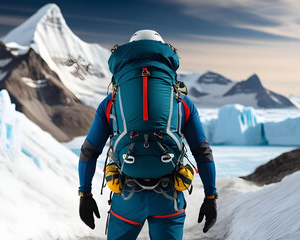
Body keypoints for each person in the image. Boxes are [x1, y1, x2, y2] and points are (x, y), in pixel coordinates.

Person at [79, 30, 217, 240]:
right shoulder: (182, 103)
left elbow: (89, 151)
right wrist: (210, 196)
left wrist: (85, 194)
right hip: (168, 196)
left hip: (126, 197)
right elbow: (202, 151)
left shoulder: (110, 104)